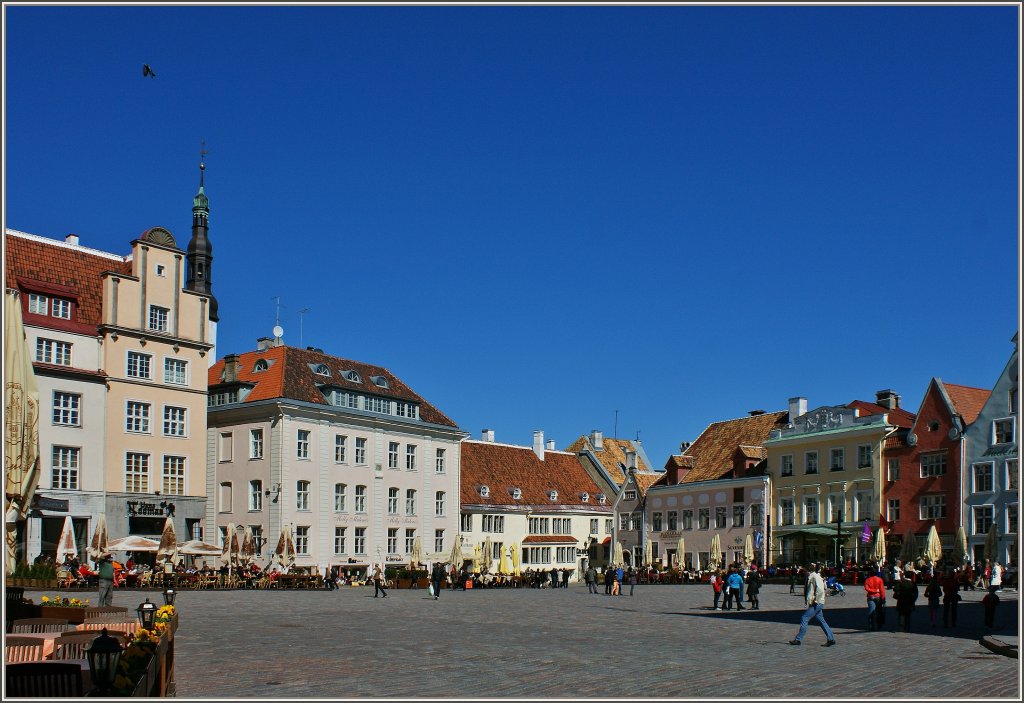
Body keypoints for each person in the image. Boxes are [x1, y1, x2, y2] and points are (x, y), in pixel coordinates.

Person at [789, 563, 836, 647]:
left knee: (805, 618)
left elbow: (820, 590)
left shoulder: (814, 577)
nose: (803, 573)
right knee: (821, 620)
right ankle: (831, 639)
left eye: (804, 571)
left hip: (817, 603)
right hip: (818, 602)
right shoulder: (813, 576)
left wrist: (816, 601)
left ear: (808, 571)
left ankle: (798, 639)